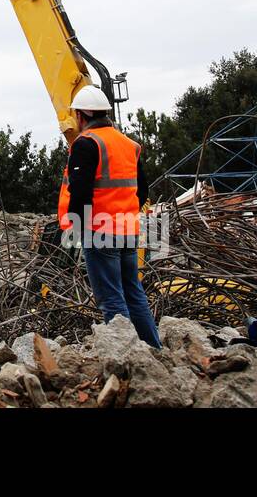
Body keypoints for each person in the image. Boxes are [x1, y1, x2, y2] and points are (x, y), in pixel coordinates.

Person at [57, 84, 160, 347]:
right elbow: (142, 189)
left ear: (81, 116)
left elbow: (79, 192)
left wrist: (79, 230)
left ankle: (128, 358)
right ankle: (154, 350)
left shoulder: (86, 144)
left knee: (111, 299)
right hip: (128, 229)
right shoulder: (129, 145)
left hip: (101, 231)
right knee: (134, 294)